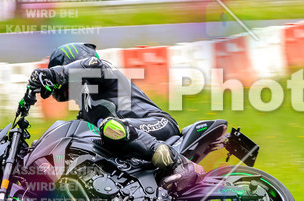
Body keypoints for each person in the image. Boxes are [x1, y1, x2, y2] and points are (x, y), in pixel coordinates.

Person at [27, 42, 204, 191]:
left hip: (157, 123)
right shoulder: (85, 110)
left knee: (110, 127)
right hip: (128, 137)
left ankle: (178, 162)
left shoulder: (102, 72)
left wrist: (55, 73)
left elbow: (93, 64)